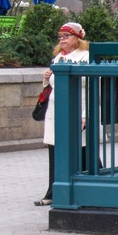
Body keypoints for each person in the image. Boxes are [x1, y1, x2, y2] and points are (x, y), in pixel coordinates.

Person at [34, 22, 90, 206]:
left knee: (82, 152)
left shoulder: (86, 57)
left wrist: (85, 115)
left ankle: (89, 188)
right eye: (60, 37)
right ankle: (52, 192)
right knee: (54, 152)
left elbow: (90, 87)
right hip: (55, 112)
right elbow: (52, 85)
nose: (62, 40)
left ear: (77, 38)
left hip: (76, 110)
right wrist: (45, 79)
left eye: (66, 36)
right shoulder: (58, 57)